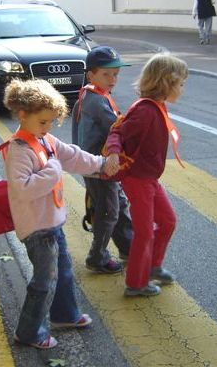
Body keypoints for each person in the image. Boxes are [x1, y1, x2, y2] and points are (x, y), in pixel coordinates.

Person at [3, 78, 118, 349]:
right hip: (37, 228)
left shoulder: (45, 139)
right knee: (44, 281)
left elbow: (73, 156)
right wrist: (53, 170)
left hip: (51, 223)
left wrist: (102, 165)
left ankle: (64, 315)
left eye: (52, 122)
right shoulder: (19, 150)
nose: (48, 128)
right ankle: (29, 332)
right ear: (22, 115)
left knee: (63, 271)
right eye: (43, 122)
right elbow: (22, 189)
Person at [105, 53, 188, 297]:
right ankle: (136, 283)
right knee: (144, 231)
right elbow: (118, 133)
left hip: (149, 178)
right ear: (166, 82)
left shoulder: (157, 106)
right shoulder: (145, 111)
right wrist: (112, 154)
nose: (182, 89)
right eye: (180, 83)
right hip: (138, 180)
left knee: (168, 221)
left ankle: (152, 267)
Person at [71, 46, 133, 274]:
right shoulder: (96, 101)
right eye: (107, 74)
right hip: (99, 166)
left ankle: (129, 247)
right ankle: (97, 257)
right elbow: (120, 128)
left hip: (98, 164)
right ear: (91, 75)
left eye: (116, 74)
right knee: (109, 212)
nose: (113, 79)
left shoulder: (90, 95)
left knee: (117, 205)